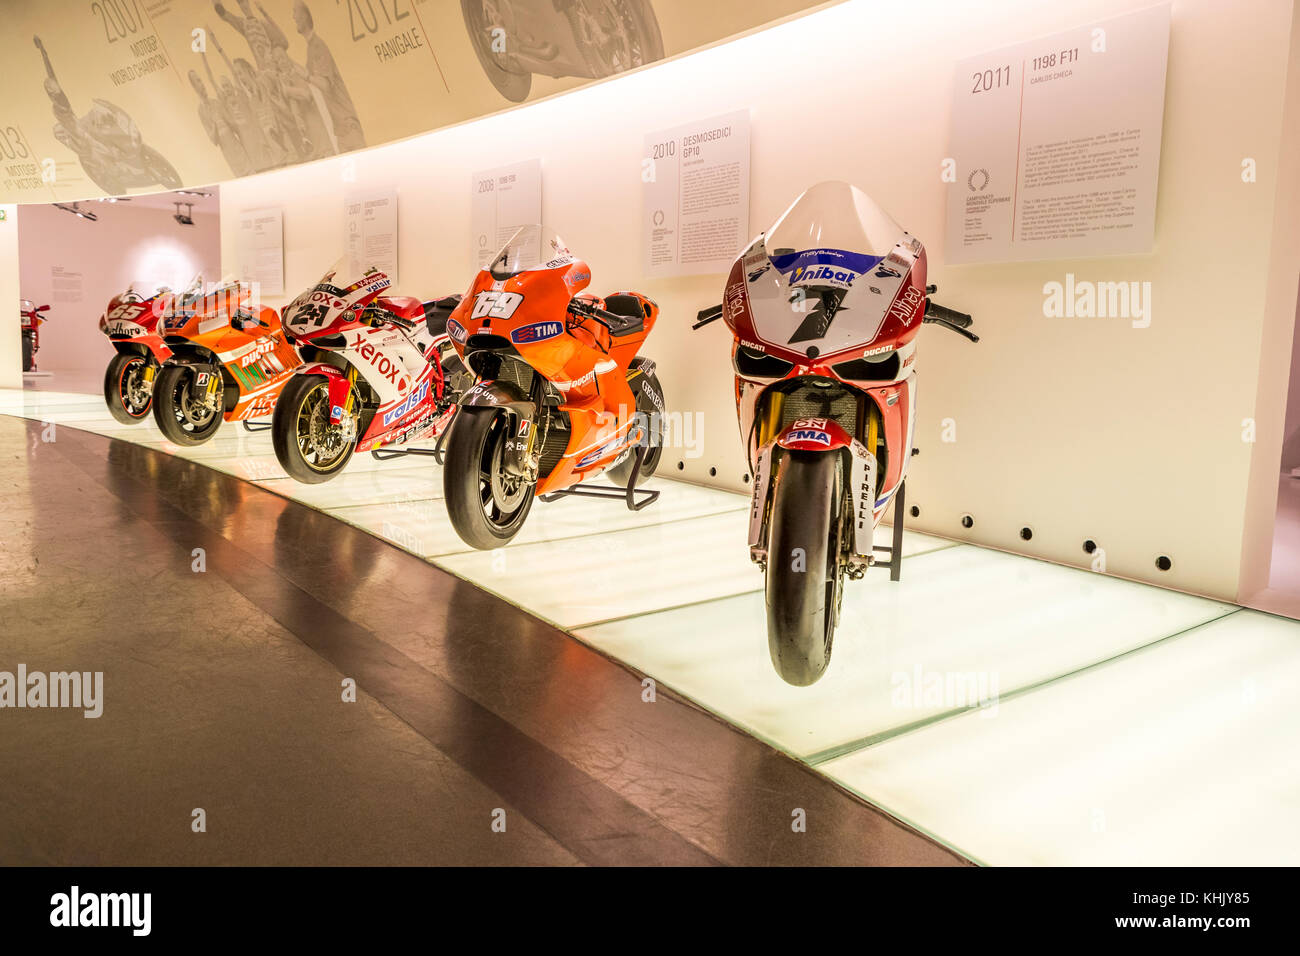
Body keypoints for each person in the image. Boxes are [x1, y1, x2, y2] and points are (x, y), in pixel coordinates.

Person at [294, 0, 365, 152]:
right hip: (340, 129)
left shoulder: (318, 46)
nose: (293, 18)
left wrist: (305, 75)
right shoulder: (311, 48)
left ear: (304, 17)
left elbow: (325, 85)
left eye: (295, 13)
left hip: (348, 126)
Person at [189, 69, 253, 176]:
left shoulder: (216, 102)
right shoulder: (201, 111)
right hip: (230, 156)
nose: (202, 84)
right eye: (198, 81)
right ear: (194, 87)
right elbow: (213, 140)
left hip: (239, 150)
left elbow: (234, 127)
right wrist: (214, 124)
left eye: (201, 80)